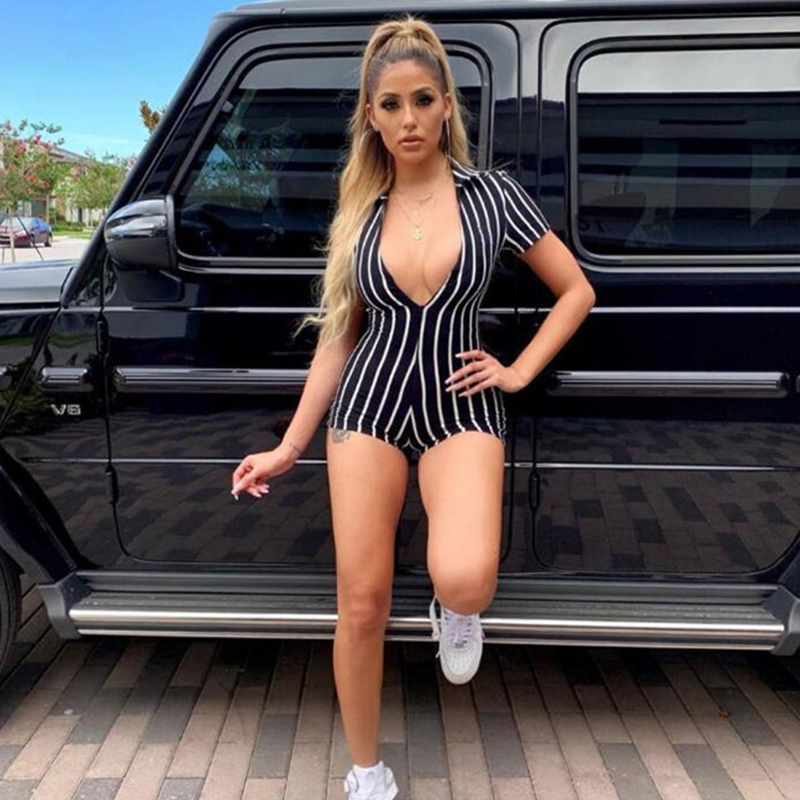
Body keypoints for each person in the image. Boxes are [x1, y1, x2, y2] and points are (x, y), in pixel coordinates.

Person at [231, 13, 595, 800]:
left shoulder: (492, 196)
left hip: (462, 407)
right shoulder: (360, 209)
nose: (408, 119)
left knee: (466, 578)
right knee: (360, 605)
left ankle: (455, 610)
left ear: (446, 105)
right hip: (369, 407)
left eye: (423, 100)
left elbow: (576, 290)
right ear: (371, 115)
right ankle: (366, 772)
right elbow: (339, 336)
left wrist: (518, 371)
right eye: (391, 104)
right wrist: (289, 446)